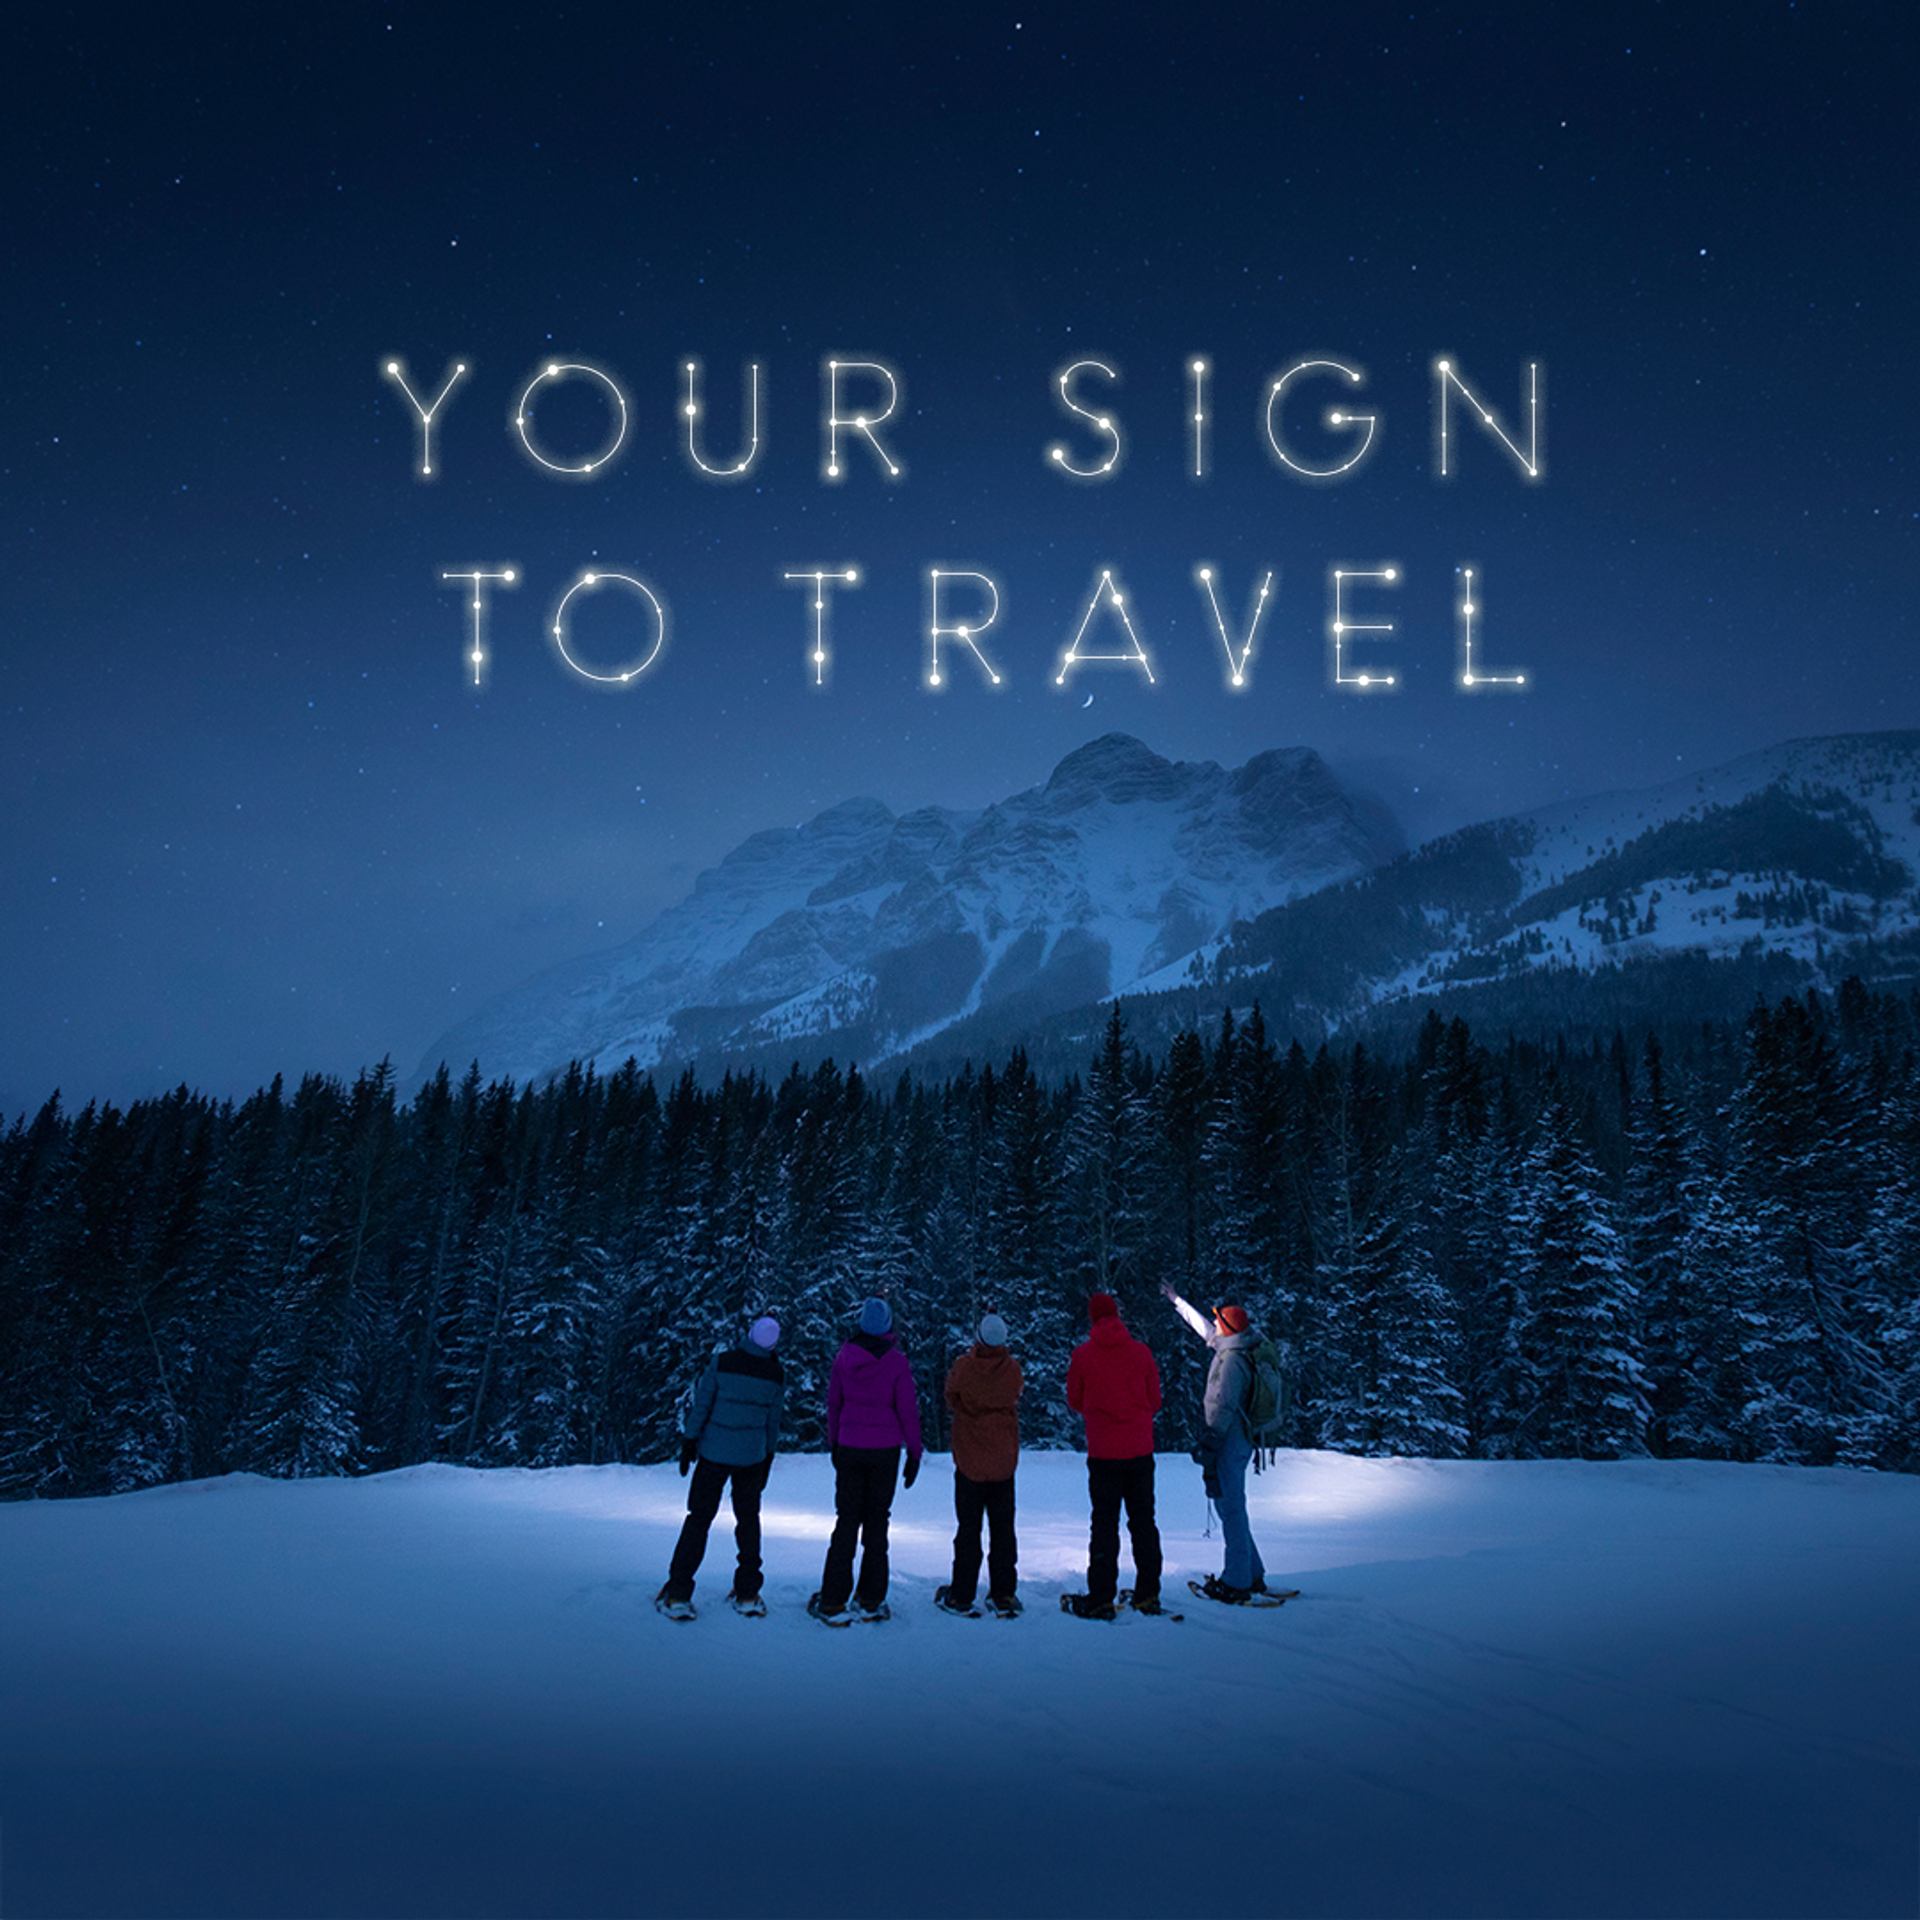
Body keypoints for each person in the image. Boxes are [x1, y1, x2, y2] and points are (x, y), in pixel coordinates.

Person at [656, 1313, 785, 1620]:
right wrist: (768, 1455)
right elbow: (773, 1421)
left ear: (750, 1334)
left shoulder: (723, 1362)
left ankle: (678, 1593)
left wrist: (690, 1439)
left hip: (714, 1453)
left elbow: (703, 1403)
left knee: (698, 1520)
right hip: (752, 1457)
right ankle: (748, 1593)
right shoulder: (775, 1374)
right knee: (748, 1521)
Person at [810, 1297, 923, 1625]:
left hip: (850, 1447)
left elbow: (834, 1403)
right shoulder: (897, 1362)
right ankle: (871, 1598)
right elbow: (907, 1411)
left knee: (846, 1520)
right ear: (888, 1325)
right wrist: (914, 1452)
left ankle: (832, 1599)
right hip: (885, 1451)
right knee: (877, 1522)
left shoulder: (845, 1357)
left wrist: (834, 1440)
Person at [1163, 1283, 1269, 1603]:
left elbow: (1224, 1404)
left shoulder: (1233, 1360)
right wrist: (1178, 1300)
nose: (1216, 1326)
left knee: (1230, 1507)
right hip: (1238, 1438)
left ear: (1228, 1325)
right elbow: (1206, 1330)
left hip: (1229, 1439)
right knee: (1233, 1505)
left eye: (1219, 1321)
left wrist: (1210, 1440)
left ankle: (1237, 1580)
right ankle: (1252, 1572)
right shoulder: (1237, 1345)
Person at [1061, 1291, 1164, 1619]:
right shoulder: (1141, 1353)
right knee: (1144, 1522)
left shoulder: (1083, 1356)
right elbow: (1155, 1399)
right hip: (1139, 1451)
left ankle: (1101, 1596)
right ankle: (1148, 1593)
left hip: (1104, 1453)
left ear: (1092, 1318)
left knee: (1104, 1525)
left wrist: (1099, 1411)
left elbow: (1075, 1399)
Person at [936, 1311, 1023, 1619]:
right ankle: (1003, 1593)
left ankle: (961, 1594)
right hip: (1002, 1462)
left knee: (968, 1530)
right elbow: (1016, 1392)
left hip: (970, 1461)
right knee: (1003, 1530)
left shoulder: (965, 1367)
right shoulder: (1011, 1370)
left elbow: (951, 1395)